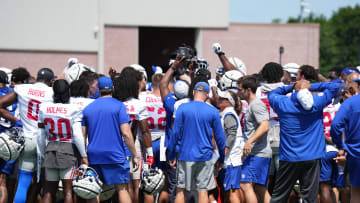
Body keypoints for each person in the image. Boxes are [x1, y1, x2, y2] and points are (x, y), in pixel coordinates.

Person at [268, 79, 340, 202]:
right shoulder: (317, 102)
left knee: (279, 196)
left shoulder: (283, 103)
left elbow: (273, 93)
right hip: (313, 156)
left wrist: (292, 87)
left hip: (289, 157)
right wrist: (310, 86)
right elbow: (335, 86)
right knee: (310, 197)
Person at [0, 68, 55, 203]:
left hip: (28, 138)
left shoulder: (23, 89)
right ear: (50, 81)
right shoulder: (52, 92)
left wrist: (16, 121)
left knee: (23, 183)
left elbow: (0, 104)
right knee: (46, 185)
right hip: (46, 140)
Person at [83, 76, 139, 203]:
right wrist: (134, 154)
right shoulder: (119, 106)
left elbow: (82, 136)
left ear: (98, 89)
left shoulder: (88, 109)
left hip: (94, 154)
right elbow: (126, 134)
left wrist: (83, 155)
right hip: (115, 154)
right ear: (113, 88)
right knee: (122, 189)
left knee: (93, 188)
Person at [168, 82, 225, 203]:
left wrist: (171, 154)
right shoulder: (213, 111)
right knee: (202, 190)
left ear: (193, 92)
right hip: (205, 156)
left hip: (185, 155)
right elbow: (220, 138)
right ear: (207, 94)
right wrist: (222, 158)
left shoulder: (183, 108)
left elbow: (175, 134)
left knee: (181, 190)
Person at [38, 79, 88, 203]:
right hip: (67, 149)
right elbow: (77, 134)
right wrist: (83, 155)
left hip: (50, 147)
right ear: (68, 91)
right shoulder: (74, 108)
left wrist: (42, 152)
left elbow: (40, 134)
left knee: (49, 190)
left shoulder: (44, 108)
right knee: (68, 191)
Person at [114, 70, 153, 203]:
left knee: (122, 186)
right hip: (133, 145)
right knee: (136, 184)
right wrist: (150, 153)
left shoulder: (115, 103)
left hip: (116, 145)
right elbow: (145, 131)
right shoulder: (138, 104)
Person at [236, 75, 271, 203]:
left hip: (258, 153)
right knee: (260, 188)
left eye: (239, 89)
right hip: (258, 153)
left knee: (245, 184)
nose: (237, 92)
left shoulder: (256, 105)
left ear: (248, 90)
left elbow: (265, 125)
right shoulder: (252, 105)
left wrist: (249, 141)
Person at [256, 62, 285, 195]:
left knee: (266, 177)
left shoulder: (259, 90)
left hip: (264, 132)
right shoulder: (286, 90)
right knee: (284, 178)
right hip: (282, 133)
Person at [139, 73, 168, 202]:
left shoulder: (142, 98)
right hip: (163, 142)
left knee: (148, 180)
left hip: (147, 142)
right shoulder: (168, 98)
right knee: (164, 180)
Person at [331, 80, 360, 203]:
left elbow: (336, 125)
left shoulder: (350, 103)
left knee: (356, 192)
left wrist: (340, 146)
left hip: (355, 154)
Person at [217, 90, 244, 203]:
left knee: (232, 193)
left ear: (228, 102)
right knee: (231, 191)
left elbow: (231, 134)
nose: (218, 99)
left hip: (231, 161)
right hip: (231, 160)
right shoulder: (227, 113)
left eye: (221, 98)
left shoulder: (229, 114)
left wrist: (224, 152)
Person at [0, 70, 20, 203]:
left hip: (2, 139)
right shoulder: (16, 93)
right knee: (7, 181)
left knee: (1, 182)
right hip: (14, 142)